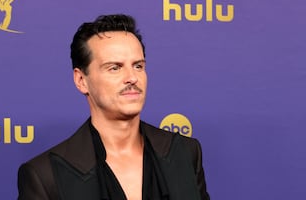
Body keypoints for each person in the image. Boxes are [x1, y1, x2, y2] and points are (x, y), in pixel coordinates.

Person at [17, 14, 210, 200]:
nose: (132, 78)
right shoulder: (45, 175)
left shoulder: (185, 153)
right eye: (114, 68)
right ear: (81, 80)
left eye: (138, 66)